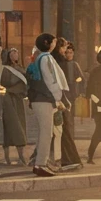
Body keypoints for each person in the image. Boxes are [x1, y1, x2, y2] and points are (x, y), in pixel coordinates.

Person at [27, 32, 66, 177]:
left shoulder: (39, 57)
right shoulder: (46, 58)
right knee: (46, 132)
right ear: (46, 43)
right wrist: (57, 97)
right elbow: (51, 79)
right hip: (44, 99)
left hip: (39, 98)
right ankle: (40, 164)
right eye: (53, 42)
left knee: (43, 132)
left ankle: (40, 162)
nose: (55, 44)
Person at [53, 37, 83, 171]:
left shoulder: (59, 61)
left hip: (62, 98)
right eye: (65, 48)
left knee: (60, 128)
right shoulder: (62, 62)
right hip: (62, 98)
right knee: (64, 128)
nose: (67, 51)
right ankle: (68, 158)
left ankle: (64, 158)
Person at [0, 46, 29, 166]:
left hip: (19, 99)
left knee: (21, 125)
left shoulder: (20, 67)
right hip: (10, 99)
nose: (15, 55)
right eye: (12, 54)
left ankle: (21, 155)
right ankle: (7, 156)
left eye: (16, 53)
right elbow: (5, 82)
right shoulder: (7, 69)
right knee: (11, 125)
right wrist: (17, 78)